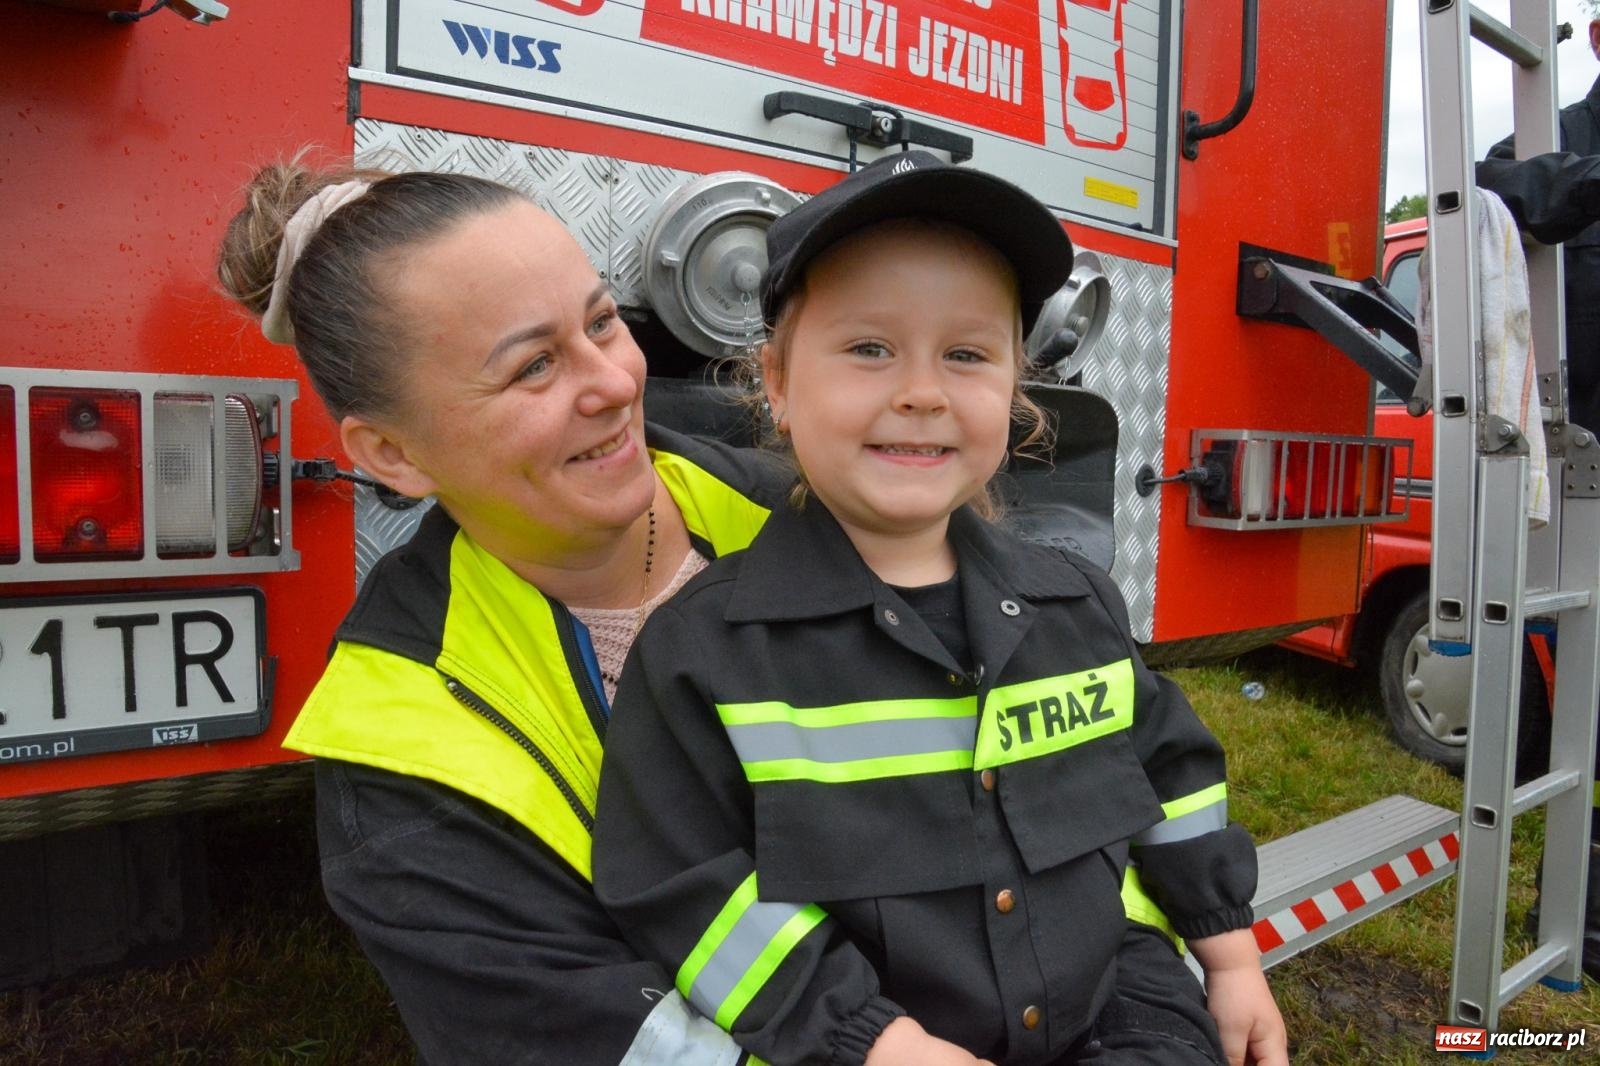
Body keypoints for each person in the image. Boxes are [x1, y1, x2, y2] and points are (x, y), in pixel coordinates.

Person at [592, 151, 1289, 1066]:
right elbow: (687, 891)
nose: (921, 391)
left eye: (965, 354)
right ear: (778, 383)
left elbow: (1170, 771)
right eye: (869, 348)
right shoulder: (705, 656)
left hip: (1117, 1011)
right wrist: (879, 1043)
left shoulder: (1075, 606)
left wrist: (1229, 956)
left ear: (1014, 388)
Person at [217, 158, 797, 1063]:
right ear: (394, 455)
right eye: (533, 367)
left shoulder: (808, 520)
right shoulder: (402, 748)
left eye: (603, 321)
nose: (612, 384)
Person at [1474, 14, 1600, 982]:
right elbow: (1482, 202)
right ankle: (1574, 917)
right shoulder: (1538, 139)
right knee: (1579, 707)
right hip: (1578, 479)